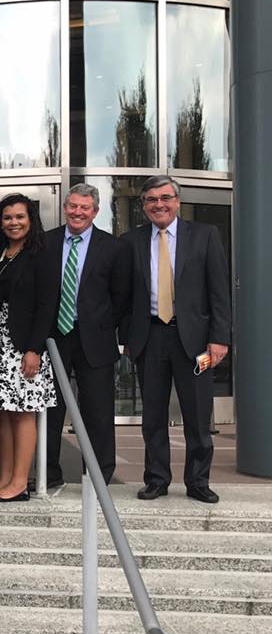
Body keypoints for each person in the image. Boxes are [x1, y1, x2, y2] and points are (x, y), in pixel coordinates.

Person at [121, 175, 231, 503]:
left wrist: (219, 338)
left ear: (177, 201)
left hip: (195, 341)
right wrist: (126, 339)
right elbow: (124, 296)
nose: (159, 204)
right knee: (153, 416)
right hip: (150, 337)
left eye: (165, 198)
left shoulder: (205, 236)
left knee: (198, 416)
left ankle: (198, 481)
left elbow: (219, 291)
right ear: (144, 205)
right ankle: (156, 479)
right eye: (151, 199)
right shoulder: (131, 241)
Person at [43, 184, 131, 488]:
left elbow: (121, 297)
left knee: (98, 412)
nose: (77, 212)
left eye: (84, 207)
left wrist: (101, 323)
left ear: (95, 212)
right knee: (50, 409)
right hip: (53, 337)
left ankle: (97, 477)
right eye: (73, 206)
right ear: (65, 207)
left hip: (95, 338)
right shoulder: (46, 242)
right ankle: (48, 474)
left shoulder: (113, 247)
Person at [0, 194, 58, 503]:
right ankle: (5, 477)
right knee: (2, 412)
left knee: (22, 413)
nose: (13, 222)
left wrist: (34, 349)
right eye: (7, 217)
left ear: (31, 220)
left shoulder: (41, 255)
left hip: (22, 345)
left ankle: (20, 482)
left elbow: (47, 305)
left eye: (20, 217)